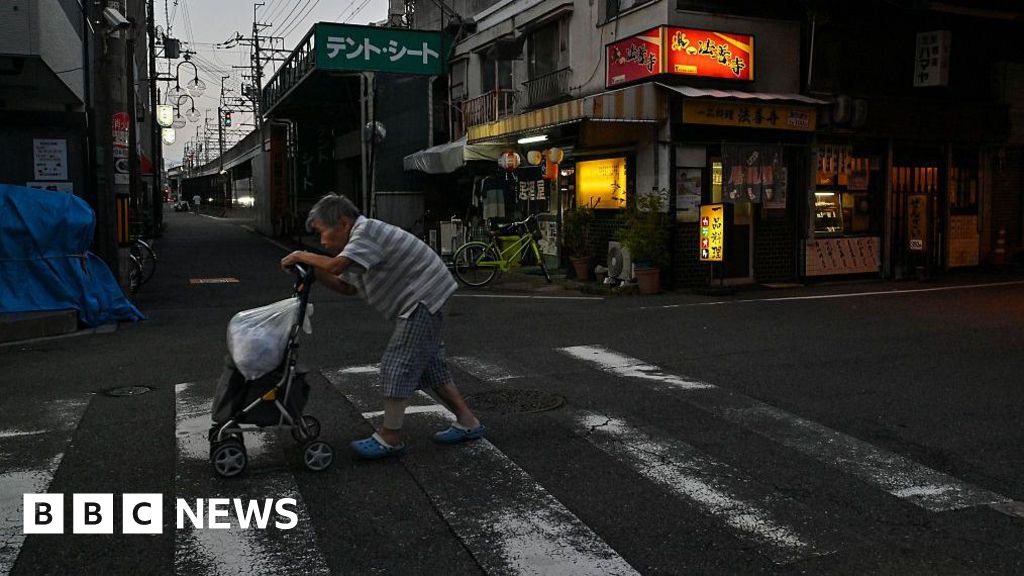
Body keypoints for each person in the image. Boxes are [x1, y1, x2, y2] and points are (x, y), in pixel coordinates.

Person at [280, 193, 483, 459]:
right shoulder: (356, 246)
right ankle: (469, 422)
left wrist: (302, 256)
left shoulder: (365, 233)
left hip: (423, 298)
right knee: (432, 365)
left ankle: (390, 437)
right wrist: (316, 271)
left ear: (342, 223)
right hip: (426, 296)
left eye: (322, 233)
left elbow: (337, 266)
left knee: (396, 363)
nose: (322, 241)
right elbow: (346, 285)